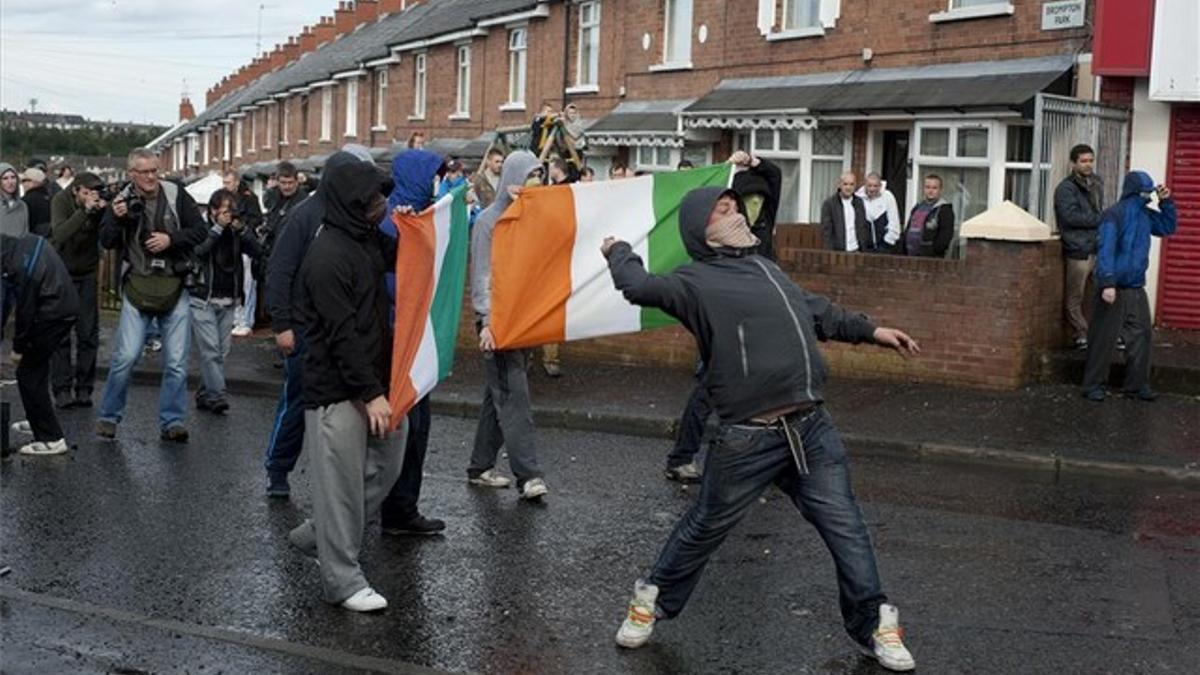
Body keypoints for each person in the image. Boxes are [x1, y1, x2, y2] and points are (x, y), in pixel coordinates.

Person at [602, 186, 919, 672]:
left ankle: (876, 623)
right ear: (700, 232)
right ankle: (651, 602)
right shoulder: (694, 283)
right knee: (705, 527)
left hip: (811, 428)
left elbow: (818, 312)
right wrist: (617, 251)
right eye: (722, 212)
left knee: (847, 528)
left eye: (735, 208)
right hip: (748, 437)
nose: (735, 216)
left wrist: (872, 331)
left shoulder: (768, 269)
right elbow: (640, 287)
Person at [286, 157, 406, 613]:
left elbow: (402, 256)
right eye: (371, 199)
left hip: (370, 380)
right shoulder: (327, 256)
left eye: (382, 196)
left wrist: (419, 227)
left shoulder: (364, 238)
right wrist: (370, 393)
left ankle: (321, 533)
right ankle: (342, 579)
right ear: (347, 203)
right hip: (336, 390)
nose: (380, 205)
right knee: (339, 484)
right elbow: (340, 335)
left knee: (389, 456)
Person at [263, 146, 375, 497]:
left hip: (340, 331)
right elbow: (279, 270)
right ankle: (278, 469)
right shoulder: (304, 216)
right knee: (297, 403)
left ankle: (338, 486)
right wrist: (282, 325)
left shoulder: (355, 215)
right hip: (306, 331)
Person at [95, 148, 207, 442]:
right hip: (137, 285)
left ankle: (173, 421)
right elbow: (106, 241)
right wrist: (117, 218)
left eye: (155, 170)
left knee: (176, 362)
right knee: (125, 357)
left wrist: (172, 239)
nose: (151, 177)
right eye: (144, 172)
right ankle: (108, 416)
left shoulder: (175, 194)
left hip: (175, 285)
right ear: (131, 174)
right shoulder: (120, 200)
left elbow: (201, 230)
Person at [469, 151, 549, 500]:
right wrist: (488, 321)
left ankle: (480, 465)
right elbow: (483, 276)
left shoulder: (531, 217)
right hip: (498, 324)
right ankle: (528, 475)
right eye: (531, 175)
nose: (536, 183)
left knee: (498, 393)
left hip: (522, 320)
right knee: (514, 396)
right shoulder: (488, 221)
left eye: (540, 176)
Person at [377, 148, 448, 536]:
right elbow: (390, 285)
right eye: (432, 176)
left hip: (413, 340)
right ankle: (395, 509)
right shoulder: (391, 224)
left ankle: (400, 506)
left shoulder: (417, 219)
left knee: (416, 428)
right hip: (395, 343)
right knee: (406, 428)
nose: (437, 183)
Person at [1081, 172, 1176, 403]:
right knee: (1103, 339)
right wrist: (1108, 282)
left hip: (1135, 287)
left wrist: (1166, 202)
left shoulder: (1144, 214)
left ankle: (1136, 386)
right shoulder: (1113, 215)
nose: (1149, 195)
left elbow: (1167, 227)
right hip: (1114, 287)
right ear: (1136, 191)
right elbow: (1105, 250)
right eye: (1147, 191)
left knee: (1141, 337)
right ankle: (1093, 385)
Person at [1, 233, 79, 456]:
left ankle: (51, 438)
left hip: (53, 313)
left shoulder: (21, 267)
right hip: (63, 305)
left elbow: (25, 313)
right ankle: (37, 419)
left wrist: (18, 348)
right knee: (38, 367)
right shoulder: (24, 243)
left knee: (27, 373)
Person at [189, 189, 263, 415]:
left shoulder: (236, 229)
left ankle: (204, 393)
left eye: (231, 211)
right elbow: (198, 253)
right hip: (203, 298)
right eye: (224, 212)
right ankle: (218, 395)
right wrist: (217, 229)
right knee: (211, 351)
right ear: (212, 211)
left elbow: (258, 251)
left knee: (220, 353)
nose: (229, 216)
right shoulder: (201, 227)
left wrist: (242, 231)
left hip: (229, 298)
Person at [48, 171, 107, 409]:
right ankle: (62, 389)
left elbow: (106, 235)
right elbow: (60, 233)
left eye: (93, 193)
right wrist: (85, 212)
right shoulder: (60, 201)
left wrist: (102, 212)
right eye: (85, 193)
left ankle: (84, 388)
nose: (90, 197)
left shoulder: (98, 205)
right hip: (62, 271)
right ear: (76, 191)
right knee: (61, 334)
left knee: (88, 333)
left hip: (87, 272)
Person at [1054, 144, 1104, 350]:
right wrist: (1099, 219)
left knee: (1098, 292)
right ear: (1073, 163)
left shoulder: (1096, 183)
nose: (1088, 164)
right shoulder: (1066, 188)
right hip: (1077, 247)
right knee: (1076, 295)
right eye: (1083, 161)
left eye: (1090, 160)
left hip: (1095, 246)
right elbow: (1069, 217)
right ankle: (1081, 333)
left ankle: (1096, 332)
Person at [222, 171, 264, 338]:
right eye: (224, 182)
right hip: (231, 245)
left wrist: (241, 225)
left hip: (246, 245)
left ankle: (246, 321)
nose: (225, 186)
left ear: (236, 182)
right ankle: (237, 318)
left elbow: (257, 219)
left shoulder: (249, 198)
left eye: (228, 182)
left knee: (247, 284)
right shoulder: (225, 199)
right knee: (235, 283)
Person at [729, 151, 781, 260]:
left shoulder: (766, 219)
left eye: (759, 197)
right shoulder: (728, 226)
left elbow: (775, 174)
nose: (756, 201)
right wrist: (727, 167)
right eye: (749, 197)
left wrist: (751, 161)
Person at [260, 162, 305, 282]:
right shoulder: (273, 198)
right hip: (272, 258)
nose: (287, 187)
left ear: (296, 182)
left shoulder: (304, 202)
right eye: (283, 183)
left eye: (290, 183)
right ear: (278, 182)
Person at [900, 175, 954, 258]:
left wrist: (933, 252)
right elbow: (908, 229)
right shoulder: (917, 207)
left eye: (934, 188)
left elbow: (945, 237)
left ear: (940, 189)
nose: (930, 191)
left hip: (930, 259)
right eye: (927, 187)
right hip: (909, 256)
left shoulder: (945, 210)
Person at [820, 171, 871, 253]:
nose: (848, 187)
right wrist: (830, 253)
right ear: (839, 185)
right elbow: (826, 232)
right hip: (838, 252)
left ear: (855, 185)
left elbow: (863, 226)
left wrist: (863, 247)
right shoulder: (829, 204)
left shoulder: (859, 203)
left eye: (851, 184)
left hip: (856, 250)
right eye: (845, 184)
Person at [856, 173, 901, 253]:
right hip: (863, 248)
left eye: (875, 186)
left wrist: (886, 244)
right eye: (869, 185)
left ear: (880, 186)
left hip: (885, 248)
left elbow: (894, 224)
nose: (872, 189)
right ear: (865, 185)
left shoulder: (888, 197)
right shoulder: (857, 198)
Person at [20, 168, 53, 238]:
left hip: (31, 241)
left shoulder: (25, 201)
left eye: (25, 180)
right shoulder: (51, 199)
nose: (23, 184)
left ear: (36, 182)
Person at [1, 163, 29, 237]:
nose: (10, 182)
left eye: (13, 177)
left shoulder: (22, 206)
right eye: (5, 178)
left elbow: (25, 234)